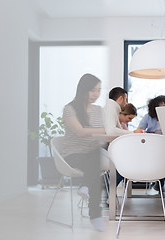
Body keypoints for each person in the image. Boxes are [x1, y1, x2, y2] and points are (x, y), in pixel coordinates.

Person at [61, 73, 106, 232]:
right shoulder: (70, 109)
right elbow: (80, 132)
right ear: (83, 90)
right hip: (73, 155)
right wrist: (105, 130)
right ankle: (95, 215)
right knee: (95, 160)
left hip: (92, 154)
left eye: (99, 90)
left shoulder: (99, 110)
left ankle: (85, 185)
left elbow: (102, 134)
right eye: (92, 90)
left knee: (96, 155)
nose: (96, 94)